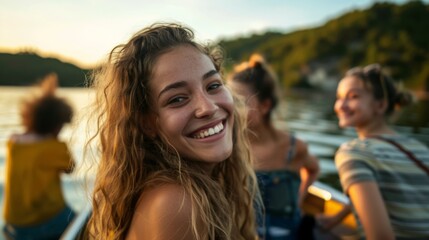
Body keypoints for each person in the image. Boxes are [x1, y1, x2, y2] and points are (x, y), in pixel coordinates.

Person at [85, 23, 261, 239]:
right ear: (147, 123)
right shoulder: (178, 203)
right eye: (177, 99)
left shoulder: (190, 187)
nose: (208, 107)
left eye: (213, 85)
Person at [332, 63, 429, 239]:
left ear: (380, 105)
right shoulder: (419, 148)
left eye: (352, 96)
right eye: (339, 97)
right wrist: (334, 220)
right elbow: (396, 195)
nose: (341, 105)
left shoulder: (355, 153)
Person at [228, 54, 319, 240]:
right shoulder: (230, 148)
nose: (231, 109)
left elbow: (313, 169)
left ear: (265, 106)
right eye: (230, 100)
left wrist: (300, 200)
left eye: (240, 102)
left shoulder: (293, 148)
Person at [3, 73, 76, 240]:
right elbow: (70, 168)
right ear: (57, 126)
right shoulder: (55, 147)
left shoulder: (13, 144)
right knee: (86, 221)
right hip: (46, 221)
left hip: (13, 225)